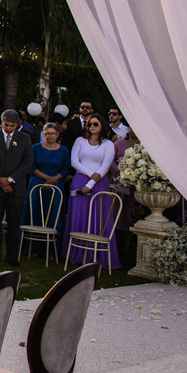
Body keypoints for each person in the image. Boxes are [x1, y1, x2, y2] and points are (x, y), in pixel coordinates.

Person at [65, 112, 120, 269]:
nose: (92, 127)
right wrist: (90, 175)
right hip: (80, 180)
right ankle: (77, 254)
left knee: (98, 217)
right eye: (90, 124)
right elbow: (74, 161)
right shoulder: (80, 141)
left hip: (99, 183)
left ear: (102, 125)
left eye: (96, 124)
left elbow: (105, 166)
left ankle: (97, 255)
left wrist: (91, 183)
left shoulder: (108, 144)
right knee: (79, 215)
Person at [0, 109, 34, 265]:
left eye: (12, 126)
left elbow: (27, 163)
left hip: (16, 188)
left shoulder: (25, 138)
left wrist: (10, 180)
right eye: (6, 125)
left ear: (18, 124)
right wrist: (0, 180)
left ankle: (12, 256)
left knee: (13, 223)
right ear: (1, 123)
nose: (9, 128)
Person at [23, 123, 72, 253]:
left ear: (57, 135)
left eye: (52, 133)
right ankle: (32, 248)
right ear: (43, 134)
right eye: (47, 133)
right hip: (37, 184)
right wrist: (46, 178)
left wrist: (54, 179)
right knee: (36, 214)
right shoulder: (36, 148)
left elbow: (65, 168)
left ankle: (50, 250)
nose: (50, 136)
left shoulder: (64, 150)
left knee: (53, 216)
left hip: (56, 186)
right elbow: (31, 167)